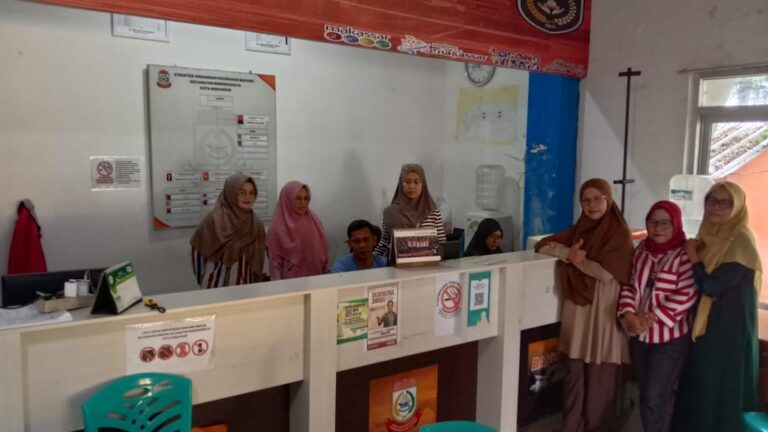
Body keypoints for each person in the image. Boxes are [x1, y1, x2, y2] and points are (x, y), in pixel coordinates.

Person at [535, 178, 634, 432]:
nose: (592, 205)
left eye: (597, 198)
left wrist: (578, 260)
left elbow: (605, 273)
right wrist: (567, 253)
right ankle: (571, 426)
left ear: (608, 200)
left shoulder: (619, 234)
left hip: (604, 313)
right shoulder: (579, 230)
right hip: (579, 311)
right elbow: (542, 245)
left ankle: (594, 428)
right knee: (574, 374)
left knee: (600, 379)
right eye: (585, 200)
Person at [673, 181, 761, 431]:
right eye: (711, 200)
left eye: (725, 203)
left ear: (737, 208)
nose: (716, 207)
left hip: (728, 331)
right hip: (708, 324)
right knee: (701, 388)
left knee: (719, 389)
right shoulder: (709, 236)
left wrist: (693, 256)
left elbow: (711, 286)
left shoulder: (741, 242)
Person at [617, 201, 698, 432]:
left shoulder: (684, 255)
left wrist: (648, 319)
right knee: (646, 394)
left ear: (676, 223)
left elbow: (687, 294)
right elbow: (630, 286)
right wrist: (629, 314)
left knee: (656, 395)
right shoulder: (641, 251)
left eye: (665, 223)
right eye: (652, 222)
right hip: (640, 337)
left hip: (670, 339)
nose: (658, 228)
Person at [190, 173, 265, 288]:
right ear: (231, 193)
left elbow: (257, 260)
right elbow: (198, 256)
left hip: (244, 288)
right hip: (214, 287)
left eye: (252, 193)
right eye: (241, 192)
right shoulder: (212, 221)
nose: (247, 197)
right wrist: (207, 280)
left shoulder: (256, 224)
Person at [374, 164, 447, 262]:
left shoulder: (433, 212)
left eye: (416, 182)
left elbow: (441, 243)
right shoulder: (390, 212)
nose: (412, 186)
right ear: (401, 184)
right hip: (397, 267)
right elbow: (384, 243)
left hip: (427, 266)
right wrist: (370, 261)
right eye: (407, 182)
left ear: (423, 184)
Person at [266, 181, 329, 280]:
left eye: (306, 198)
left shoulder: (314, 221)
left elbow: (323, 254)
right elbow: (275, 267)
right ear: (287, 199)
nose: (303, 203)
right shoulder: (276, 228)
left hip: (315, 280)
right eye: (298, 198)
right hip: (289, 283)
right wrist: (277, 287)